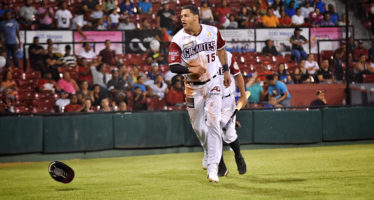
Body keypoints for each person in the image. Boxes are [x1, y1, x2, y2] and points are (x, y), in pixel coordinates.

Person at [168, 5, 231, 183]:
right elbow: (173, 67)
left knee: (213, 123)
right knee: (198, 126)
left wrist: (225, 70)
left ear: (196, 17)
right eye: (181, 16)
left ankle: (213, 168)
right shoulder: (178, 39)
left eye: (186, 15)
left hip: (213, 83)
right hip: (192, 87)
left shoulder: (213, 31)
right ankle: (206, 149)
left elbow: (221, 50)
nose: (182, 19)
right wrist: (190, 69)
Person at [214, 52, 248, 177]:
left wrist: (243, 96)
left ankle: (238, 155)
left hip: (227, 100)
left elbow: (238, 76)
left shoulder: (227, 56)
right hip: (211, 100)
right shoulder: (203, 56)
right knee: (213, 135)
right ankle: (221, 166)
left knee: (229, 134)